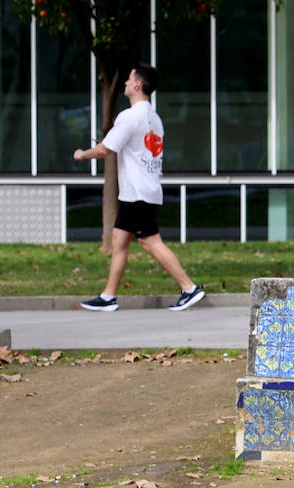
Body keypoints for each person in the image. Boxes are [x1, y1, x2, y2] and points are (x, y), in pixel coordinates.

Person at [72, 64, 204, 312]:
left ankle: (189, 288)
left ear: (137, 85)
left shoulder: (130, 116)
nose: (124, 82)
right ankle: (108, 297)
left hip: (137, 192)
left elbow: (106, 148)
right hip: (142, 190)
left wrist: (82, 154)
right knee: (119, 240)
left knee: (150, 242)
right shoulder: (154, 118)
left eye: (128, 79)